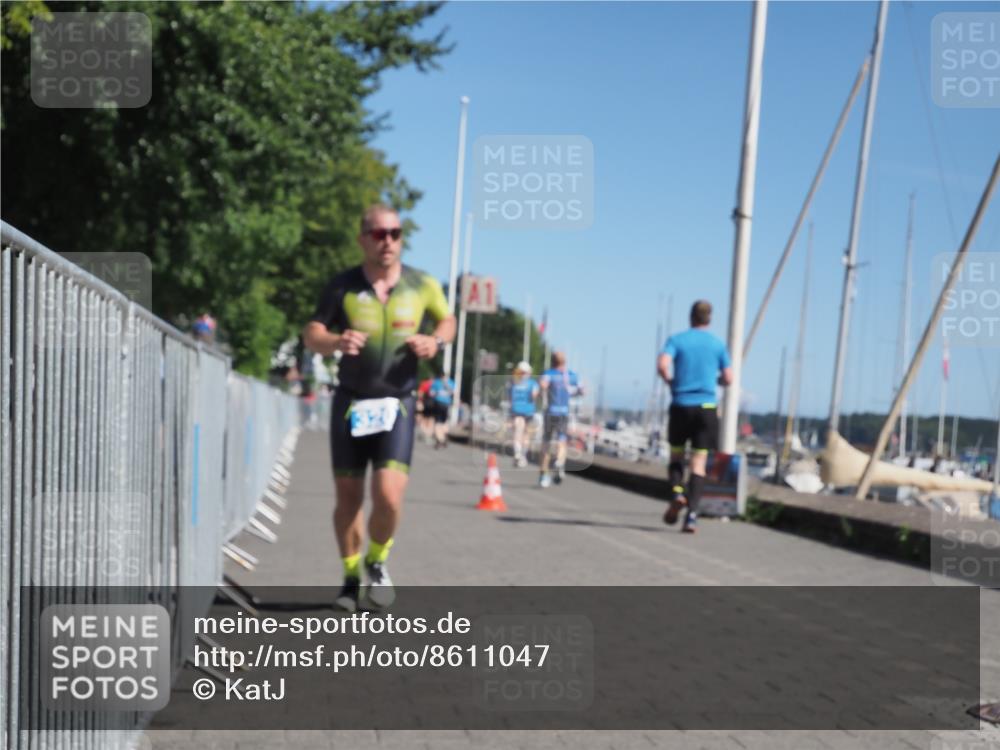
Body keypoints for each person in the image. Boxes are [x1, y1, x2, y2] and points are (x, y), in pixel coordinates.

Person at [303, 204, 455, 611]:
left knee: (388, 495)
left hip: (398, 404)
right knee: (348, 498)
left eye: (394, 233)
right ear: (362, 239)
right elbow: (312, 332)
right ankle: (351, 577)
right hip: (351, 402)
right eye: (378, 233)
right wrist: (335, 341)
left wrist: (436, 341)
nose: (387, 241)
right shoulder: (343, 285)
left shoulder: (421, 284)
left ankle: (377, 559)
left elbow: (448, 320)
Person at [656, 300, 733, 534]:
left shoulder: (677, 340)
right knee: (699, 463)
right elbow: (728, 378)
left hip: (681, 405)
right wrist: (715, 381)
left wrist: (671, 381)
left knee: (677, 455)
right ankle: (691, 516)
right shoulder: (717, 345)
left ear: (691, 317)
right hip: (706, 408)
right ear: (709, 319)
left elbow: (662, 365)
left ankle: (677, 494)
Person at [538, 352, 583, 488]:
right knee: (562, 440)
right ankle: (559, 461)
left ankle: (543, 475)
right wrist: (571, 391)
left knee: (546, 443)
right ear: (565, 361)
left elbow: (543, 385)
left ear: (553, 361)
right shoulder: (571, 375)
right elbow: (582, 390)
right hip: (564, 412)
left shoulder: (549, 373)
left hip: (551, 412)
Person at [508, 361, 539, 467]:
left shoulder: (513, 382)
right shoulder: (532, 383)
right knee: (526, 435)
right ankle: (523, 456)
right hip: (529, 411)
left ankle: (517, 453)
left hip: (516, 410)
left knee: (518, 432)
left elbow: (510, 397)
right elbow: (534, 395)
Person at [428, 371, 455, 449]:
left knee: (437, 421)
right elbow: (452, 392)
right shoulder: (451, 382)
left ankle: (440, 439)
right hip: (447, 404)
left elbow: (431, 393)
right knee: (444, 421)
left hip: (438, 403)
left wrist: (437, 394)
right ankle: (444, 434)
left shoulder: (436, 382)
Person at [416, 376, 434, 444]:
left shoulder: (424, 383)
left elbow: (420, 393)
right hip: (434, 404)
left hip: (426, 403)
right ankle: (428, 434)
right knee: (431, 420)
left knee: (423, 420)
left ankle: (427, 434)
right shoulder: (436, 383)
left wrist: (419, 401)